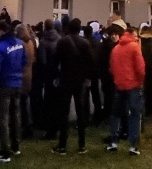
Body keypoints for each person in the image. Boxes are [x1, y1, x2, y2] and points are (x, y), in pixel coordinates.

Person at [52, 17, 96, 155]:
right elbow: (91, 62)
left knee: (64, 112)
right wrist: (89, 77)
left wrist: (56, 76)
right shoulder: (84, 43)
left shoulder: (62, 42)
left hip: (66, 79)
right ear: (79, 28)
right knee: (81, 112)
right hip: (80, 80)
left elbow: (55, 61)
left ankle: (62, 145)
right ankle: (82, 144)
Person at [105, 23, 144, 157]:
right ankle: (133, 145)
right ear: (132, 35)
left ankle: (113, 142)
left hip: (119, 85)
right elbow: (140, 68)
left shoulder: (116, 49)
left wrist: (117, 79)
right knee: (134, 114)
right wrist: (140, 81)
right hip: (133, 85)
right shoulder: (135, 47)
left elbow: (112, 67)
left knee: (116, 114)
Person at [0, 20, 25, 163]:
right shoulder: (20, 43)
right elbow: (25, 61)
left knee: (3, 117)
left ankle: (5, 150)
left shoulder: (0, 46)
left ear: (2, 31)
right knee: (16, 113)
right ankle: (16, 145)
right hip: (17, 82)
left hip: (5, 84)